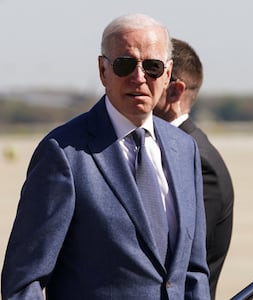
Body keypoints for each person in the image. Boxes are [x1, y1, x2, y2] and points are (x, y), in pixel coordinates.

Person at [1, 14, 210, 300]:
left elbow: (193, 273)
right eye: (125, 64)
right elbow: (23, 282)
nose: (139, 78)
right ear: (103, 70)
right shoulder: (64, 153)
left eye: (152, 66)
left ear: (167, 73)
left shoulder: (185, 149)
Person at [154, 38, 234, 299]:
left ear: (175, 91)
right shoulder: (165, 147)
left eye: (153, 72)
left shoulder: (199, 160)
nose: (138, 80)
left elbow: (181, 256)